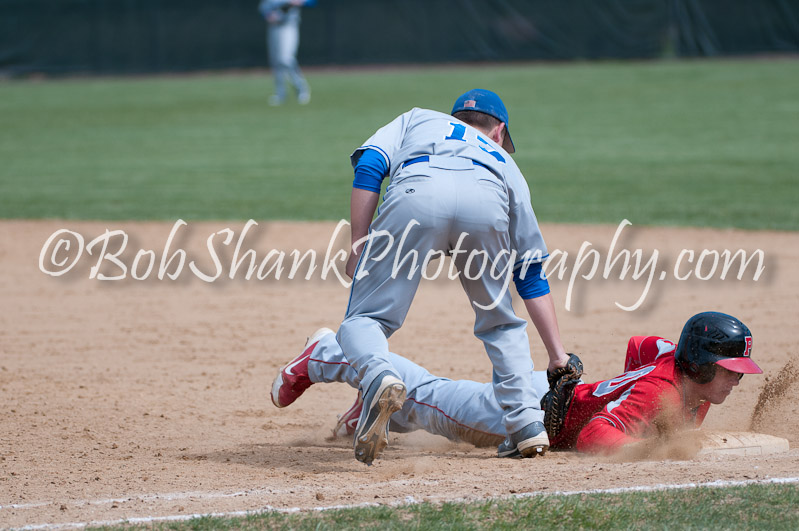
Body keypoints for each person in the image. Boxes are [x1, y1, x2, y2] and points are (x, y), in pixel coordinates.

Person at [330, 89, 572, 465]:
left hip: (417, 191)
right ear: (499, 131)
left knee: (365, 318)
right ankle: (526, 423)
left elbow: (370, 165)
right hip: (486, 199)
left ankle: (378, 374)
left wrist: (358, 243)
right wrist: (557, 356)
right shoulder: (504, 161)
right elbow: (530, 273)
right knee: (500, 322)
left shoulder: (418, 118)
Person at [270, 312, 762, 456]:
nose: (736, 380)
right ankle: (328, 353)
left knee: (430, 406)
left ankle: (377, 410)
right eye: (730, 370)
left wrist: (616, 388)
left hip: (547, 395)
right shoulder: (663, 394)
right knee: (430, 399)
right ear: (700, 364)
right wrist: (650, 446)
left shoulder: (679, 367)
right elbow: (593, 436)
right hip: (523, 412)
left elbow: (642, 346)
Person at [258, 0, 313, 106]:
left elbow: (311, 2)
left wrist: (299, 2)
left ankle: (301, 87)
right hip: (274, 26)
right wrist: (268, 15)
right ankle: (281, 94)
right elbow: (264, 7)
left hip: (288, 26)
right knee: (275, 61)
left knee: (285, 59)